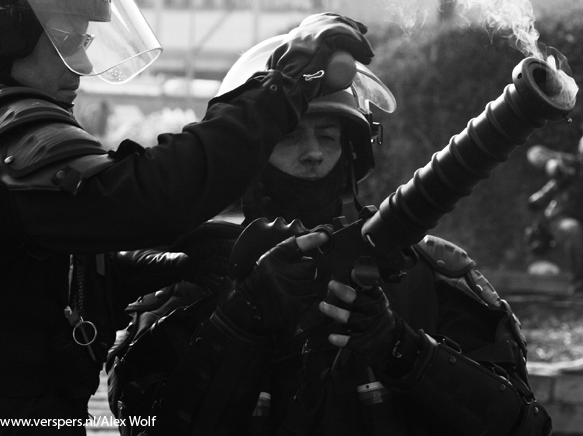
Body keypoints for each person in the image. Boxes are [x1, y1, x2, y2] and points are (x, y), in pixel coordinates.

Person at [0, 0, 376, 435]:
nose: (79, 58)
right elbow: (139, 199)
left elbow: (39, 276)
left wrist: (173, 263)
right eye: (64, 36)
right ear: (3, 31)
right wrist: (288, 81)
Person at [108, 35, 551, 436]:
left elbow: (524, 425)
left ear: (353, 152)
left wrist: (399, 347)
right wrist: (240, 320)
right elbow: (145, 424)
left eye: (328, 135)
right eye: (290, 138)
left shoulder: (428, 273)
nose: (315, 153)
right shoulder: (198, 275)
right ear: (249, 158)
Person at [526, 139, 583, 292]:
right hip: (560, 219)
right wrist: (551, 164)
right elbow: (535, 152)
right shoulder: (572, 164)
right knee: (573, 229)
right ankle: (579, 284)